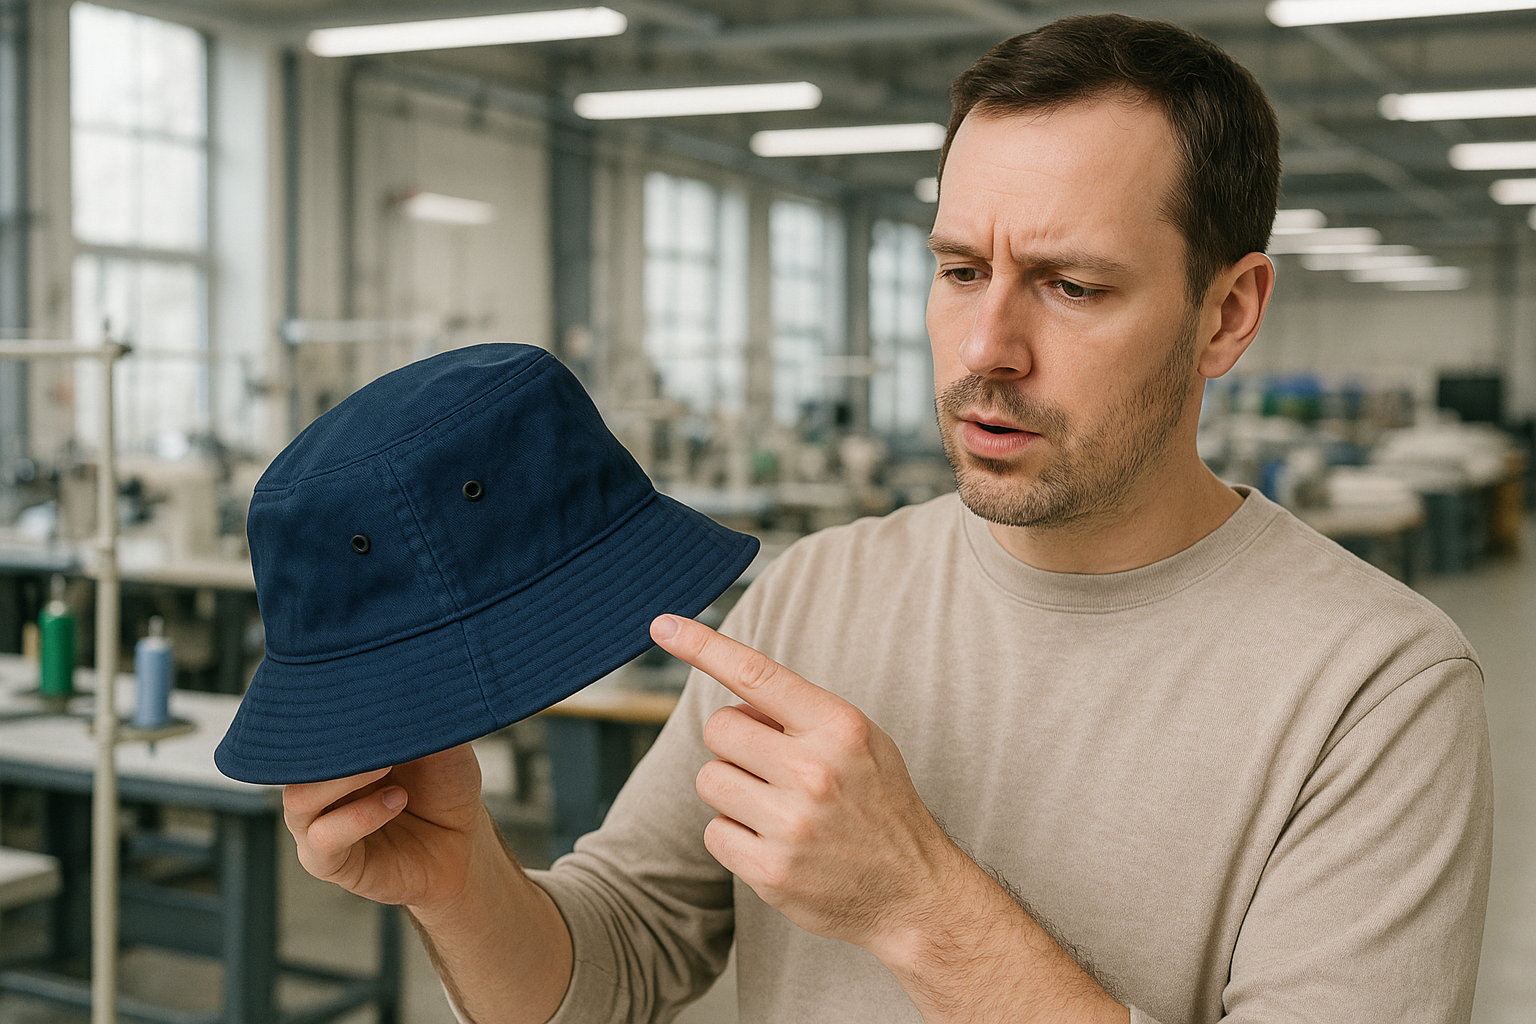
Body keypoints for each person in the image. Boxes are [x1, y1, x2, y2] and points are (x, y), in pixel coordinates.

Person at [282, 14, 1492, 1024]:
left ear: (1229, 314)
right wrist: (459, 880)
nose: (985, 350)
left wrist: (918, 903)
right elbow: (622, 955)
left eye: (1071, 287)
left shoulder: (1375, 686)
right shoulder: (816, 591)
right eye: (961, 270)